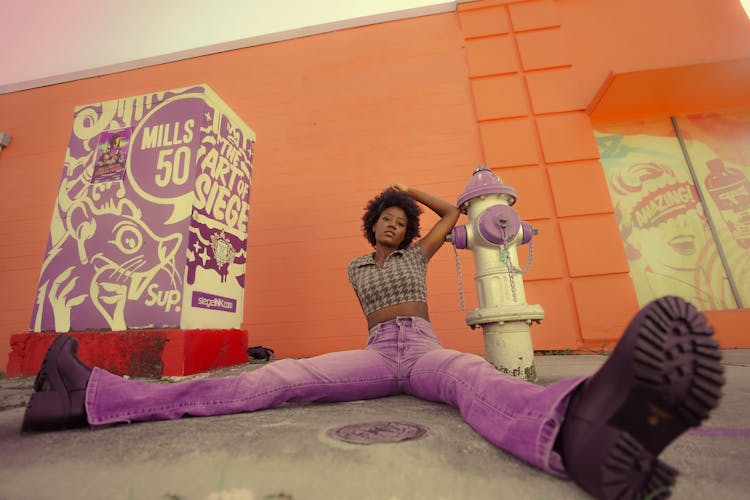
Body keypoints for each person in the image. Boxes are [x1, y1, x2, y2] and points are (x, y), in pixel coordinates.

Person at [22, 184, 725, 500]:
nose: (396, 227)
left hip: (420, 349)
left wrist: (410, 193)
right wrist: (388, 220)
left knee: (467, 380)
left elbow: (452, 213)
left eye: (401, 220)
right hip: (373, 355)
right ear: (373, 229)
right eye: (387, 220)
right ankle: (90, 395)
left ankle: (581, 428)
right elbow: (370, 293)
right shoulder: (359, 265)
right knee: (276, 381)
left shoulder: (422, 256)